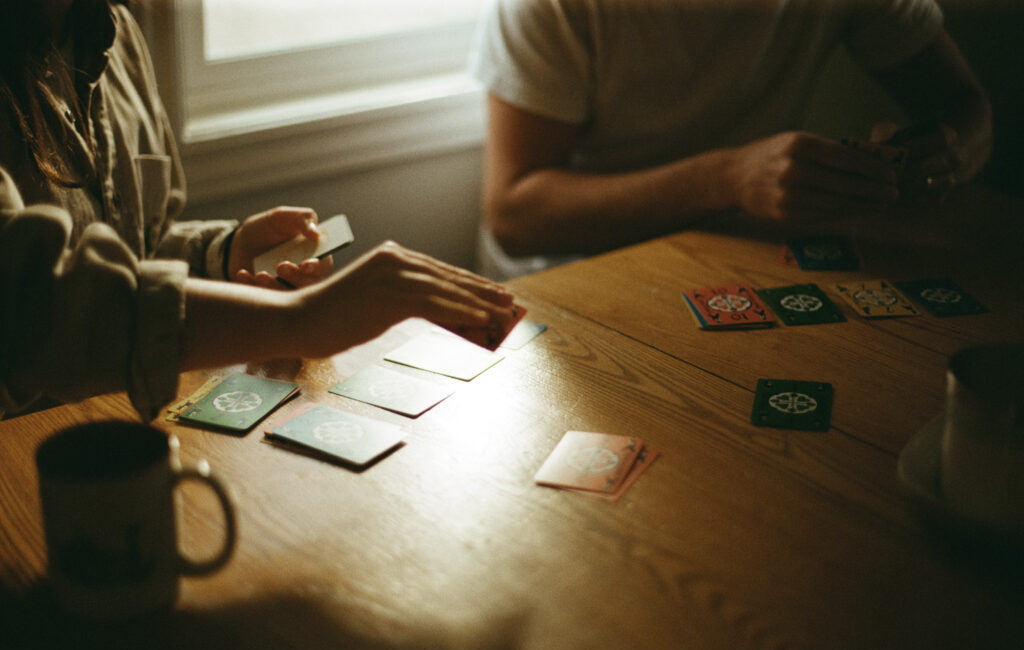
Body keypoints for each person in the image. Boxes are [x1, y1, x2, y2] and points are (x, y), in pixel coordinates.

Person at [0, 0, 516, 420]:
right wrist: (300, 319)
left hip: (127, 422)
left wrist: (222, 253)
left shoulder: (114, 29)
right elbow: (32, 313)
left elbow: (134, 248)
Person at [471, 0, 993, 279]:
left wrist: (950, 153)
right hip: (570, 279)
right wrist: (729, 179)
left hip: (744, 259)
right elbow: (515, 216)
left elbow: (966, 108)